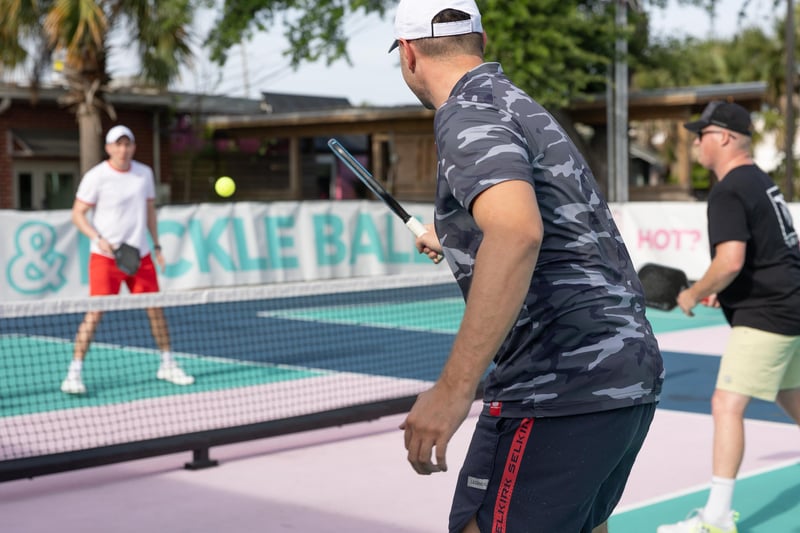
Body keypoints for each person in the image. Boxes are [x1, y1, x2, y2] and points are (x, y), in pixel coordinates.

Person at [388, 1, 664, 532]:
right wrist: (452, 237)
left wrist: (452, 391)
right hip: (627, 373)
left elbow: (516, 232)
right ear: (482, 42)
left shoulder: (463, 112)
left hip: (558, 384)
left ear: (408, 53)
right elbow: (556, 229)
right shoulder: (522, 107)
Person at [657, 102, 800, 532]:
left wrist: (695, 292)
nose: (696, 142)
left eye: (702, 134)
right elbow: (769, 253)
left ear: (723, 137)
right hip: (789, 305)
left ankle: (716, 519)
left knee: (726, 404)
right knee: (792, 398)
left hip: (768, 313)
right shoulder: (761, 182)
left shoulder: (729, 189)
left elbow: (731, 260)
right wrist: (726, 289)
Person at [60, 125, 194, 395]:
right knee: (95, 313)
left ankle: (167, 364)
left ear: (132, 147)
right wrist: (97, 238)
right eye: (117, 145)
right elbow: (78, 214)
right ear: (108, 148)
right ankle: (73, 374)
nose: (123, 149)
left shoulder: (144, 173)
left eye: (127, 144)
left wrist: (156, 245)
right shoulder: (96, 176)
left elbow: (149, 211)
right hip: (105, 257)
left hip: (140, 255)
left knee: (155, 310)